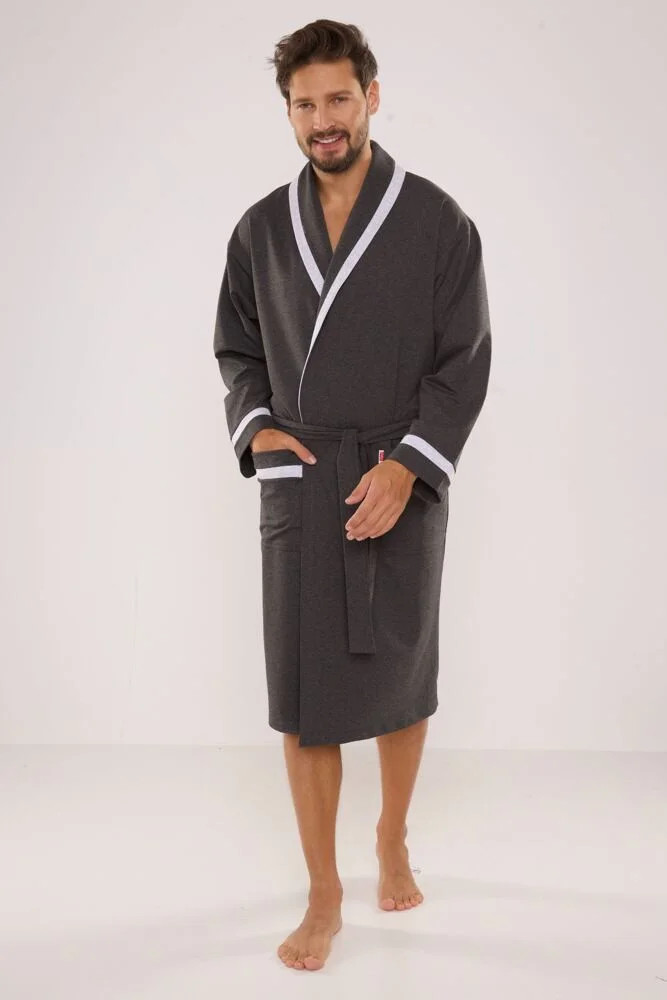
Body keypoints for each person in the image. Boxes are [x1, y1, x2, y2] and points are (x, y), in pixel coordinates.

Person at [213, 18, 492, 972]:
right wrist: (258, 428)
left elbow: (463, 360)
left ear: (371, 96)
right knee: (304, 696)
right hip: (304, 478)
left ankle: (392, 836)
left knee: (401, 678)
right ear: (287, 111)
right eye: (304, 105)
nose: (322, 119)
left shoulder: (437, 221)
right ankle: (323, 891)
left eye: (338, 98)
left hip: (398, 473)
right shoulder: (260, 228)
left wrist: (408, 465)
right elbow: (237, 350)